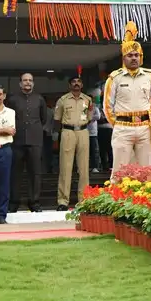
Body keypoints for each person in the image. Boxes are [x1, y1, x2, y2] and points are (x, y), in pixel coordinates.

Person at [103, 22, 151, 178]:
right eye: (130, 55)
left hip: (145, 127)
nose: (134, 58)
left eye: (137, 55)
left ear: (140, 57)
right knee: (120, 172)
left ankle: (145, 201)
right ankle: (117, 201)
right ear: (124, 57)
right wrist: (120, 123)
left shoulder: (150, 76)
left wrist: (142, 119)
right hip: (122, 128)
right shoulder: (115, 77)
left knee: (146, 172)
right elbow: (107, 106)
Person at [8, 72, 46, 213]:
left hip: (35, 140)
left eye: (30, 80)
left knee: (35, 173)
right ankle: (14, 203)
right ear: (20, 83)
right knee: (15, 173)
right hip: (17, 141)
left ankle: (34, 202)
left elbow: (43, 119)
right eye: (25, 80)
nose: (27, 82)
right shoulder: (12, 99)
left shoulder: (39, 99)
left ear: (33, 83)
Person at [54, 75, 93, 212]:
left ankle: (84, 200)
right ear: (69, 85)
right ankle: (63, 201)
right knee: (65, 166)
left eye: (79, 82)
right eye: (73, 82)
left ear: (82, 85)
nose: (76, 84)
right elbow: (57, 118)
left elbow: (90, 117)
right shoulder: (63, 100)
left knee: (83, 167)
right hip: (68, 132)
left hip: (83, 132)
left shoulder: (88, 100)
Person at [0, 85, 16, 224]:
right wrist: (4, 129)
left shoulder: (11, 112)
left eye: (0, 94)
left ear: (4, 96)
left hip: (6, 150)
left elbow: (12, 131)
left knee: (4, 183)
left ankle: (2, 216)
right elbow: (7, 130)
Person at [97, 101, 113, 171]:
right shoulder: (99, 109)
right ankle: (104, 166)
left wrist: (105, 120)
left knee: (110, 148)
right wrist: (106, 119)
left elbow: (112, 119)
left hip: (109, 130)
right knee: (102, 149)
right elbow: (98, 119)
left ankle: (111, 165)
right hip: (100, 130)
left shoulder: (111, 109)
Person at [88, 101, 101, 172]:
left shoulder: (95, 108)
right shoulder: (84, 109)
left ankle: (95, 167)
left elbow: (98, 117)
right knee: (85, 151)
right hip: (85, 132)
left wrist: (89, 117)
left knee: (94, 150)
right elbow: (82, 118)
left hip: (93, 133)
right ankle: (87, 166)